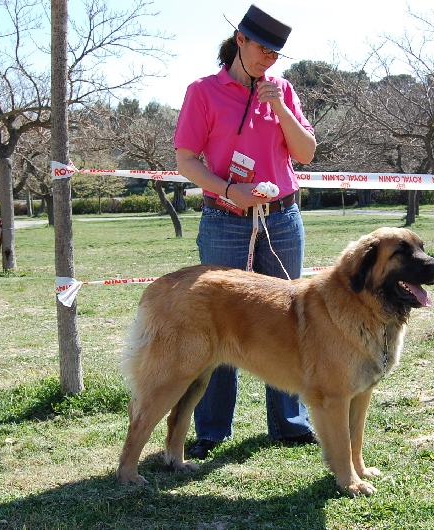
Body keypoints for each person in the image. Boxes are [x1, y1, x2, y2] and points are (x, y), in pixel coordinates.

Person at [173, 4, 317, 459]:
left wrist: (280, 106)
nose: (268, 60)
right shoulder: (204, 92)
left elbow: (306, 153)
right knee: (218, 323)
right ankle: (211, 429)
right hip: (224, 220)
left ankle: (290, 422)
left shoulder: (283, 91)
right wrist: (230, 190)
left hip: (281, 220)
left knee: (289, 318)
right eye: (261, 49)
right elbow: (186, 160)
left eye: (276, 54)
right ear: (240, 39)